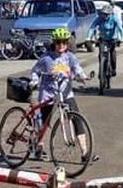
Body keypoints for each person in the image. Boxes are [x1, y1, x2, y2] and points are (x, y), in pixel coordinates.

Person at [28, 27, 90, 158]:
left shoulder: (70, 57)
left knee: (77, 119)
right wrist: (34, 80)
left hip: (66, 94)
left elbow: (77, 69)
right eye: (58, 42)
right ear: (54, 43)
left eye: (64, 42)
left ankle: (85, 152)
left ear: (67, 43)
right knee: (44, 123)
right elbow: (35, 71)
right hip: (48, 94)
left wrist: (82, 76)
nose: (61, 45)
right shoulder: (46, 59)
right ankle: (38, 146)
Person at [86, 1, 123, 77]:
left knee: (112, 53)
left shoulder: (114, 19)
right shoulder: (99, 18)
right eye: (103, 14)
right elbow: (92, 27)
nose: (105, 16)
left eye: (107, 14)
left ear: (110, 14)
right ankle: (102, 70)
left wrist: (121, 38)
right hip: (103, 39)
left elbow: (120, 29)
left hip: (113, 39)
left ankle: (113, 69)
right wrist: (88, 37)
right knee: (101, 54)